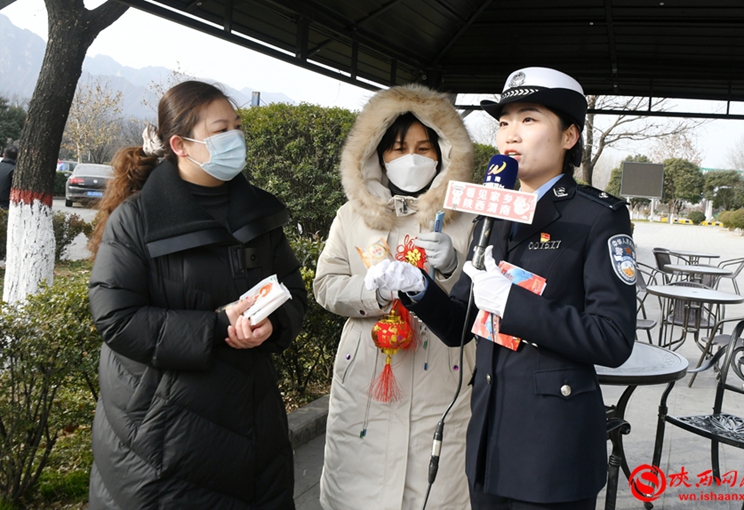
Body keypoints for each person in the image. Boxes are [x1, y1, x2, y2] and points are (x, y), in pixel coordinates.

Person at [369, 67, 637, 509]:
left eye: (529, 119)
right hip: (489, 440)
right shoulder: (491, 214)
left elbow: (612, 338)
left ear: (569, 136)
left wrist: (512, 302)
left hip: (553, 451)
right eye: (504, 122)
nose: (511, 133)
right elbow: (461, 325)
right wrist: (416, 288)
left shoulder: (597, 218)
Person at [87, 80, 307, 509]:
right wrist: (215, 327)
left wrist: (272, 324)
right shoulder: (138, 219)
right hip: (162, 439)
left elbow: (293, 292)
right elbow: (117, 318)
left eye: (237, 127)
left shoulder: (261, 213)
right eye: (221, 129)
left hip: (254, 425)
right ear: (180, 144)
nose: (235, 139)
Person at [313, 84, 477, 510]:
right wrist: (374, 290)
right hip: (366, 371)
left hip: (440, 375)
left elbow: (479, 298)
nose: (411, 159)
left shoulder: (468, 220)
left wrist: (450, 266)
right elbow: (326, 285)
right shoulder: (351, 216)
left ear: (444, 155)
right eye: (399, 148)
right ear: (377, 154)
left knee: (435, 489)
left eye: (425, 149)